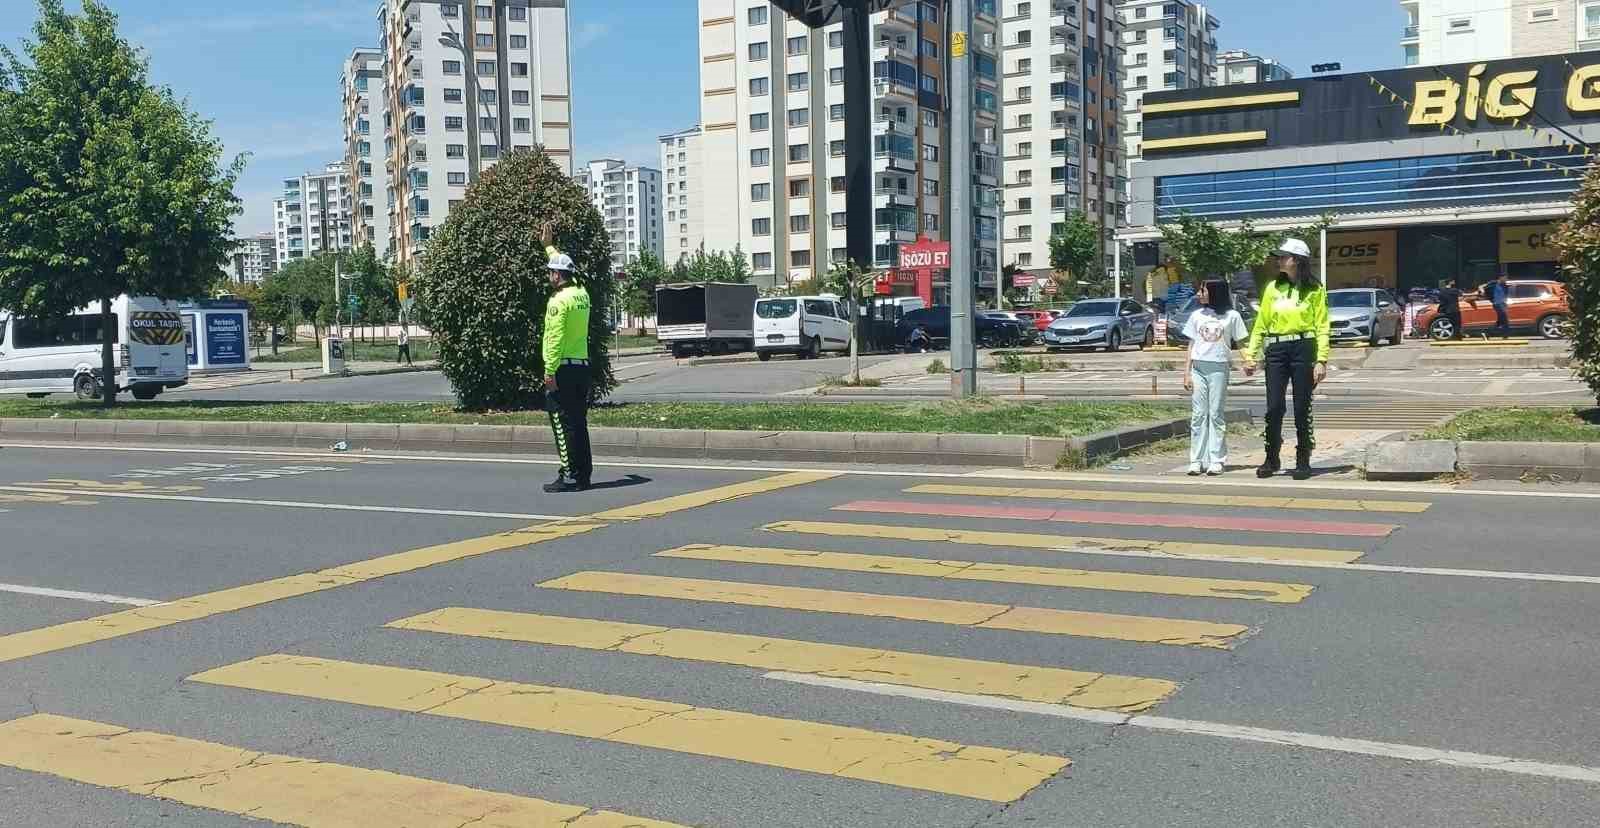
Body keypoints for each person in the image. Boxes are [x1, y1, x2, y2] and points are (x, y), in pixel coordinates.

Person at [1244, 238, 1330, 481]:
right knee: (1274, 407)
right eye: (1279, 256)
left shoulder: (1315, 289)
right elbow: (1261, 324)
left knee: (1302, 407)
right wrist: (1251, 354)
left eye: (1284, 256)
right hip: (1277, 350)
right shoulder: (1273, 288)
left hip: (1305, 348)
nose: (1279, 260)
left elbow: (1323, 325)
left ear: (1297, 260)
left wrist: (1322, 359)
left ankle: (1303, 457)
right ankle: (1271, 456)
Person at [541, 225, 594, 493]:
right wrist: (549, 246)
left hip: (561, 367)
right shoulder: (582, 294)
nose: (548, 276)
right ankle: (583, 475)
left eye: (550, 272)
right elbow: (566, 266)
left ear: (556, 276)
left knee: (561, 422)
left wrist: (549, 371)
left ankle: (569, 474)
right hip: (582, 367)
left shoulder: (558, 301)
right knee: (579, 422)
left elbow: (554, 337)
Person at [1182, 280, 1249, 476]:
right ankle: (1196, 460)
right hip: (1198, 367)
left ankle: (1217, 460)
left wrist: (1248, 361)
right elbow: (1191, 345)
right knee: (1198, 415)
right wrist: (1186, 373)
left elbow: (1241, 341)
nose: (1198, 293)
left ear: (1214, 292)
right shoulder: (1196, 316)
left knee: (1216, 414)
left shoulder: (1232, 316)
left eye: (1202, 290)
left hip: (1219, 367)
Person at [1480, 272, 1511, 339]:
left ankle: (1486, 333)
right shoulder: (1493, 283)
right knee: (1505, 321)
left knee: (1499, 322)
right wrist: (1482, 291)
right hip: (1496, 304)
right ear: (1501, 277)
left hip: (1502, 304)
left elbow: (1505, 296)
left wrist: (1505, 304)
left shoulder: (1504, 285)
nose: (1506, 279)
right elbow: (1481, 286)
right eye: (1505, 278)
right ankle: (1505, 336)